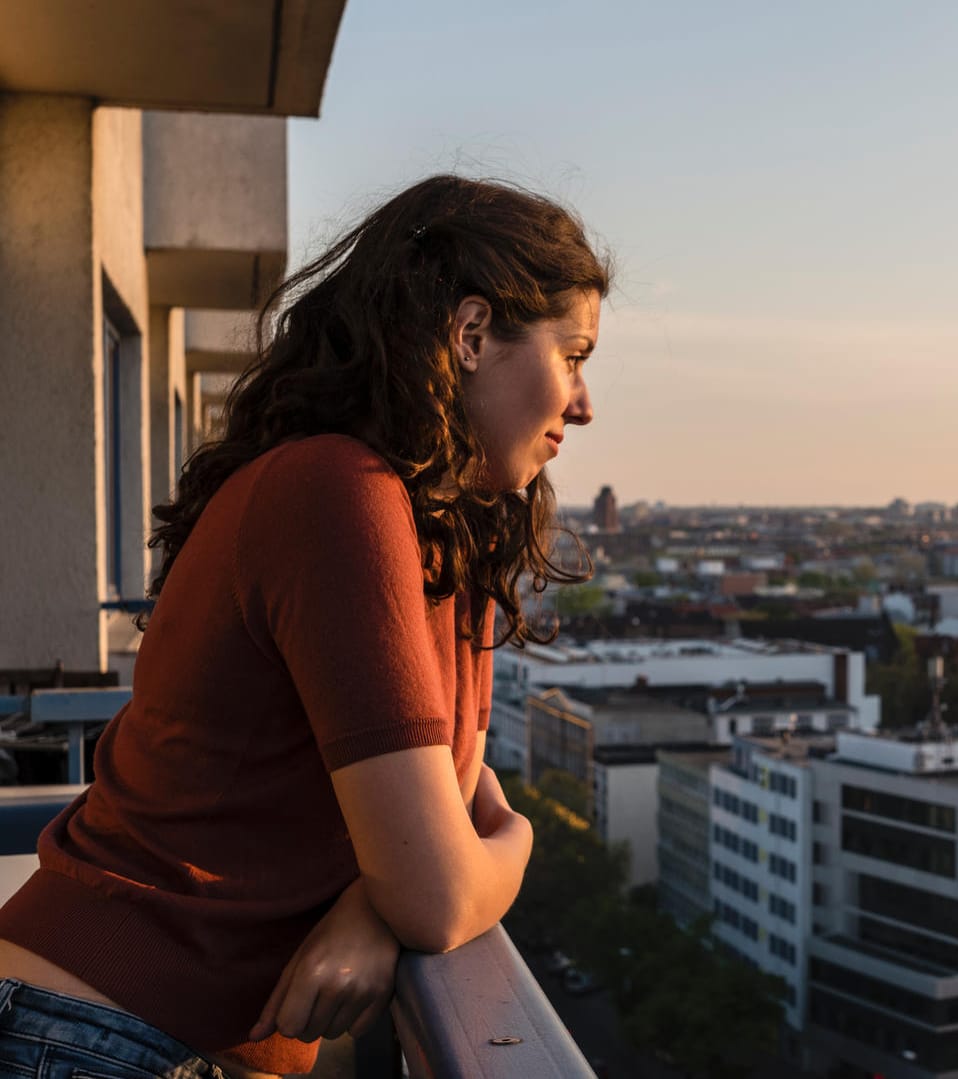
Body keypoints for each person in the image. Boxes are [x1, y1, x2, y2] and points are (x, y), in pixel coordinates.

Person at [0, 175, 611, 1078]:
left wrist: (378, 901)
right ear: (473, 334)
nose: (585, 405)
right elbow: (445, 880)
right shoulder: (335, 493)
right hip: (90, 1032)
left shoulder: (450, 545)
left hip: (158, 1044)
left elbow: (444, 812)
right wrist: (514, 841)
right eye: (574, 355)